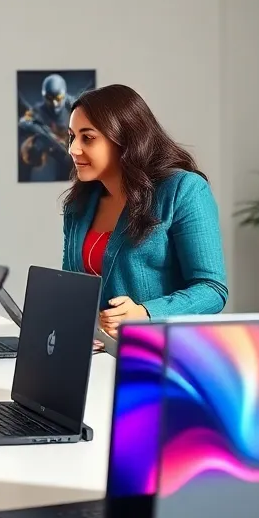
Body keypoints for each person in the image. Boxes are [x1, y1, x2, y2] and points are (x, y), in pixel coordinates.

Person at [59, 84, 228, 352]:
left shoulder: (184, 190)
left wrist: (145, 313)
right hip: (99, 356)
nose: (73, 149)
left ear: (124, 139)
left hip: (162, 357)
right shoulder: (79, 204)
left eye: (87, 138)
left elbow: (212, 290)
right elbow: (72, 289)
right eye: (72, 137)